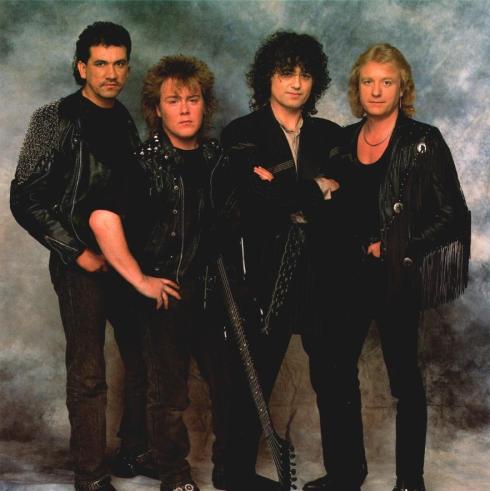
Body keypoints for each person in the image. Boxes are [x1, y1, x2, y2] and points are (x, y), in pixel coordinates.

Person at [9, 21, 159, 491]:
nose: (111, 73)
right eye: (100, 64)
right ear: (81, 68)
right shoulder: (53, 118)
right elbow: (24, 197)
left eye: (119, 64)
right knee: (89, 371)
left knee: (143, 358)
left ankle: (134, 450)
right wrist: (77, 252)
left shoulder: (125, 120)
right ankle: (90, 476)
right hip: (82, 264)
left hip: (125, 259)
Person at [323, 43, 471, 491]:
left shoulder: (424, 140)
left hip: (395, 275)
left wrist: (396, 246)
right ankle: (346, 474)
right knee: (335, 374)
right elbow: (331, 208)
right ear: (357, 88)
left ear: (401, 88)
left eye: (386, 82)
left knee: (404, 380)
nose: (376, 90)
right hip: (345, 273)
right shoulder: (342, 140)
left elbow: (453, 215)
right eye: (368, 81)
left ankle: (410, 481)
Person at [89, 55, 230, 491]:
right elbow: (101, 220)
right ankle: (175, 477)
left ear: (205, 105)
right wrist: (140, 279)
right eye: (173, 100)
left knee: (227, 385)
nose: (185, 109)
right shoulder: (140, 162)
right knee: (168, 396)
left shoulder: (217, 158)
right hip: (162, 293)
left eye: (193, 99)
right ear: (157, 109)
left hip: (211, 292)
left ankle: (231, 470)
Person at [220, 31, 351, 491]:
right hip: (265, 273)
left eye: (305, 74)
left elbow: (347, 201)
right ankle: (234, 474)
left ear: (316, 81)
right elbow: (254, 204)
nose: (296, 83)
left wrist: (284, 192)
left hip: (324, 273)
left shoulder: (331, 135)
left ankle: (346, 475)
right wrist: (318, 187)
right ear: (267, 78)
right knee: (251, 375)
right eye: (286, 72)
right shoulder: (241, 133)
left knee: (336, 377)